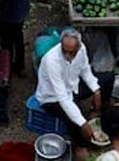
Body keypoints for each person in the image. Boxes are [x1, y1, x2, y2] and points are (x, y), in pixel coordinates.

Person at [36, 28, 109, 160]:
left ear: (79, 46)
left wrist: (96, 90)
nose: (68, 55)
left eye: (72, 52)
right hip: (52, 97)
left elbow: (85, 71)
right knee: (75, 119)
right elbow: (63, 98)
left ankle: (97, 112)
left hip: (72, 87)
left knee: (108, 78)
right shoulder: (51, 60)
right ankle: (79, 146)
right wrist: (83, 123)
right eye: (65, 51)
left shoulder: (82, 50)